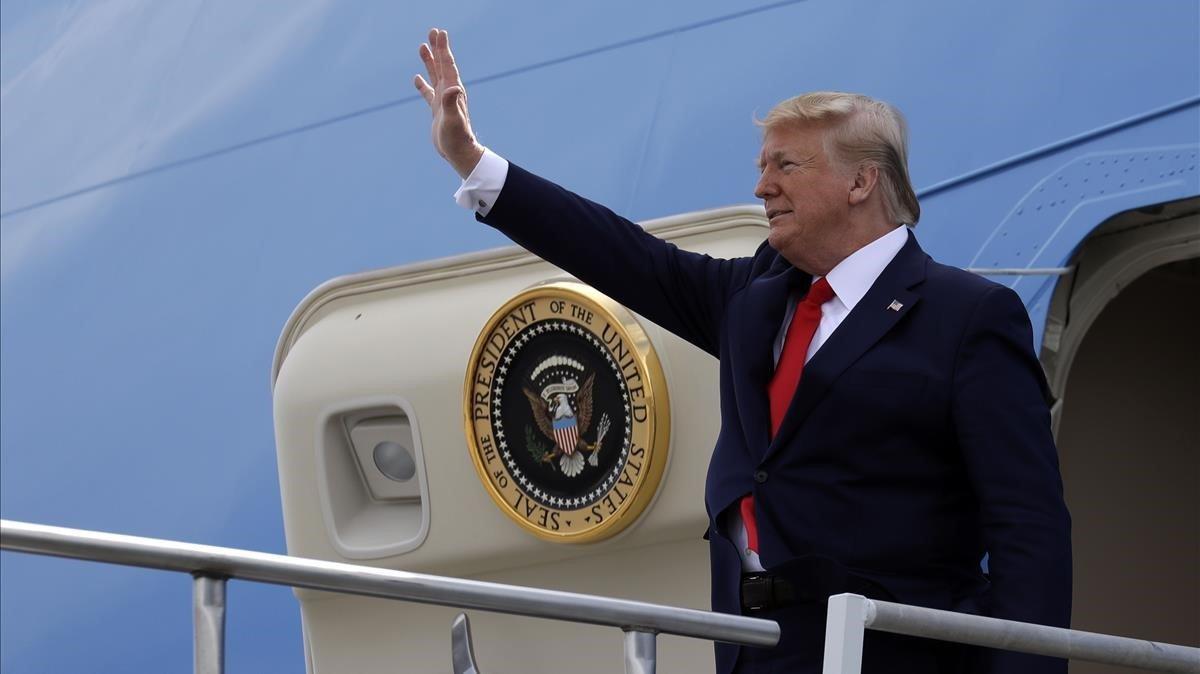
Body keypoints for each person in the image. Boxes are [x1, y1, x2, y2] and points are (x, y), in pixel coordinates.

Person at [414, 28, 1071, 673]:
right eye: (762, 168)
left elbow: (1027, 526)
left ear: (861, 182)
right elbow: (621, 255)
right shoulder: (754, 300)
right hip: (753, 649)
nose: (762, 188)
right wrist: (475, 163)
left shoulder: (965, 317)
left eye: (786, 166)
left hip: (892, 650)